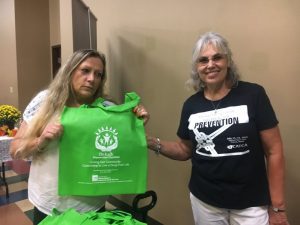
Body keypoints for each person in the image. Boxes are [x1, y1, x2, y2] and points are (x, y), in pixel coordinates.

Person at [147, 32, 289, 225]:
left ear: (228, 60)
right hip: (205, 203)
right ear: (197, 68)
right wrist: (147, 141)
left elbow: (274, 151)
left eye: (217, 57)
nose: (210, 64)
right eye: (203, 60)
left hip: (251, 204)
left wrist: (278, 208)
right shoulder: (191, 105)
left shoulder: (253, 95)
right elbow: (184, 149)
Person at [10, 49, 149, 225]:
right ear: (70, 71)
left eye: (98, 74)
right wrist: (41, 140)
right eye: (85, 70)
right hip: (49, 205)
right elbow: (15, 150)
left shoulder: (107, 108)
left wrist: (135, 126)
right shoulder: (44, 102)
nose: (92, 79)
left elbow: (119, 150)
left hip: (91, 209)